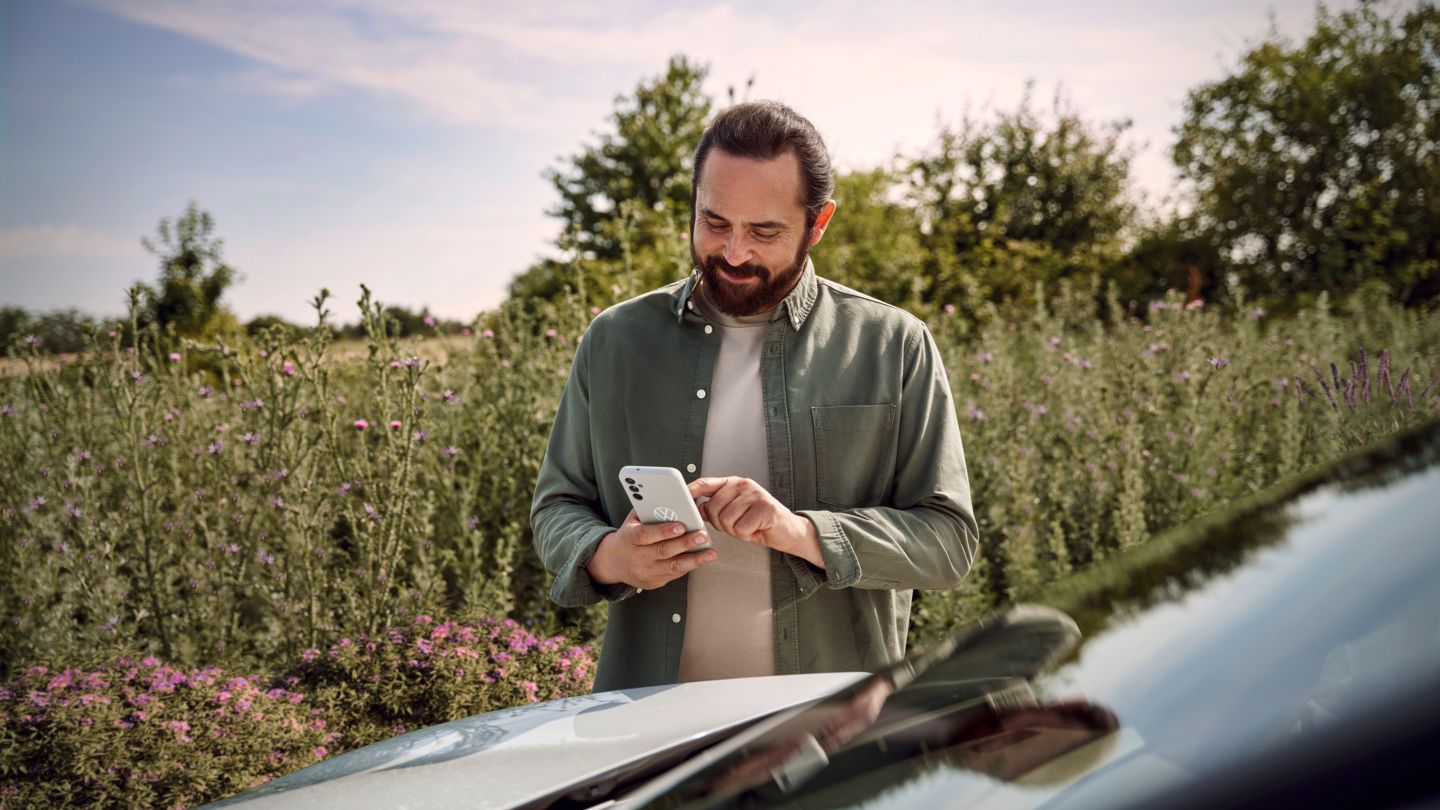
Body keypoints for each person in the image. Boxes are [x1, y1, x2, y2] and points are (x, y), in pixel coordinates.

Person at [531, 100, 977, 692]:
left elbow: (948, 542)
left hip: (828, 728)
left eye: (764, 231)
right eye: (715, 223)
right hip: (645, 727)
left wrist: (802, 532)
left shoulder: (894, 345)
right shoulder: (615, 339)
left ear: (818, 225)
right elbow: (557, 506)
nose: (734, 252)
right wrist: (610, 556)